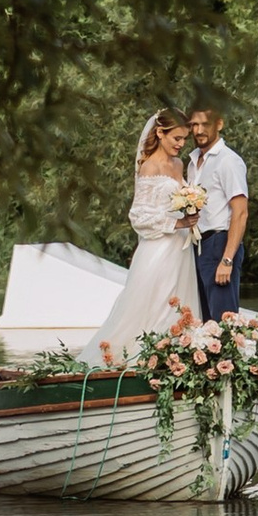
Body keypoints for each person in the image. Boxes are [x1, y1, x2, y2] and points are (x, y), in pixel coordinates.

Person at [90, 111, 207, 357]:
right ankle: (139, 358)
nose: (180, 144)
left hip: (180, 250)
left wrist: (192, 204)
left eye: (184, 139)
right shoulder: (149, 167)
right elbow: (138, 217)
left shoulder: (177, 164)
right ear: (159, 133)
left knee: (178, 304)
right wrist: (178, 223)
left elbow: (178, 199)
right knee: (155, 304)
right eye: (176, 138)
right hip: (157, 249)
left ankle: (175, 359)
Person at [187, 100, 249, 317]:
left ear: (219, 124)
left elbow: (240, 213)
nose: (199, 130)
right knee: (205, 325)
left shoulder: (228, 161)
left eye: (205, 124)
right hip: (198, 246)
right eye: (194, 125)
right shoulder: (193, 162)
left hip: (220, 244)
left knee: (223, 323)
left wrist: (227, 259)